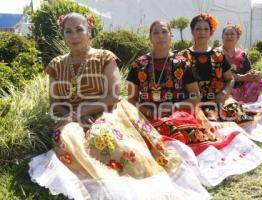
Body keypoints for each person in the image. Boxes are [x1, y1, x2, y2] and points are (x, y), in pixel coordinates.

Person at [28, 13, 212, 200]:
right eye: (68, 31)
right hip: (71, 117)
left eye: (79, 30)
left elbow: (113, 96)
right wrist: (71, 117)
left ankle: (124, 181)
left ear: (89, 31)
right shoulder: (56, 65)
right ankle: (91, 178)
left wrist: (81, 113)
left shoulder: (104, 57)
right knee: (67, 135)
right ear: (63, 35)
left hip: (106, 112)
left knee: (103, 136)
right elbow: (56, 103)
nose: (74, 35)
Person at [127, 19, 262, 187]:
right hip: (148, 113)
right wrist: (144, 108)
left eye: (164, 31)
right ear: (149, 37)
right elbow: (131, 98)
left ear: (171, 36)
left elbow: (195, 97)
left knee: (174, 128)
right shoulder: (139, 64)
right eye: (155, 32)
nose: (160, 36)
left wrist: (173, 107)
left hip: (178, 113)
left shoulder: (180, 63)